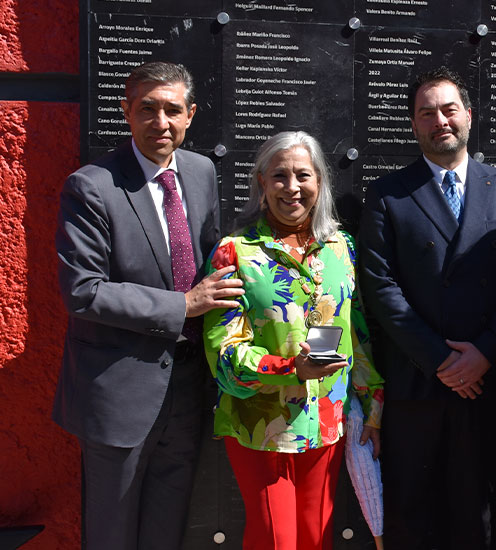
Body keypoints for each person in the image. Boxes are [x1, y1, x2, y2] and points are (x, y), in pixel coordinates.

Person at [53, 61, 244, 550]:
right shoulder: (91, 186)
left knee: (168, 531)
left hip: (186, 389)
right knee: (112, 536)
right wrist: (182, 305)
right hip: (119, 394)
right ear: (126, 112)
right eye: (147, 109)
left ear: (190, 115)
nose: (161, 122)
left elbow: (209, 260)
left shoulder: (200, 172)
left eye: (172, 110)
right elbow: (84, 290)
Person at [359, 67, 496, 549]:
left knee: (479, 519)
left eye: (449, 109)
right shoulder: (388, 193)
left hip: (486, 385)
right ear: (414, 125)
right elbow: (380, 286)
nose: (440, 120)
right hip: (417, 384)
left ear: (469, 116)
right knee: (414, 519)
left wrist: (481, 352)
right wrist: (440, 358)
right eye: (427, 113)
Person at [202, 131, 384, 550]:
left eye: (303, 175)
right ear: (261, 183)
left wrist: (373, 406)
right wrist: (289, 369)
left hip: (327, 423)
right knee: (276, 541)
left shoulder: (342, 249)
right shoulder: (235, 252)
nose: (292, 187)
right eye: (279, 176)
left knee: (315, 537)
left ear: (320, 182)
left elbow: (359, 334)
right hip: (261, 428)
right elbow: (224, 356)